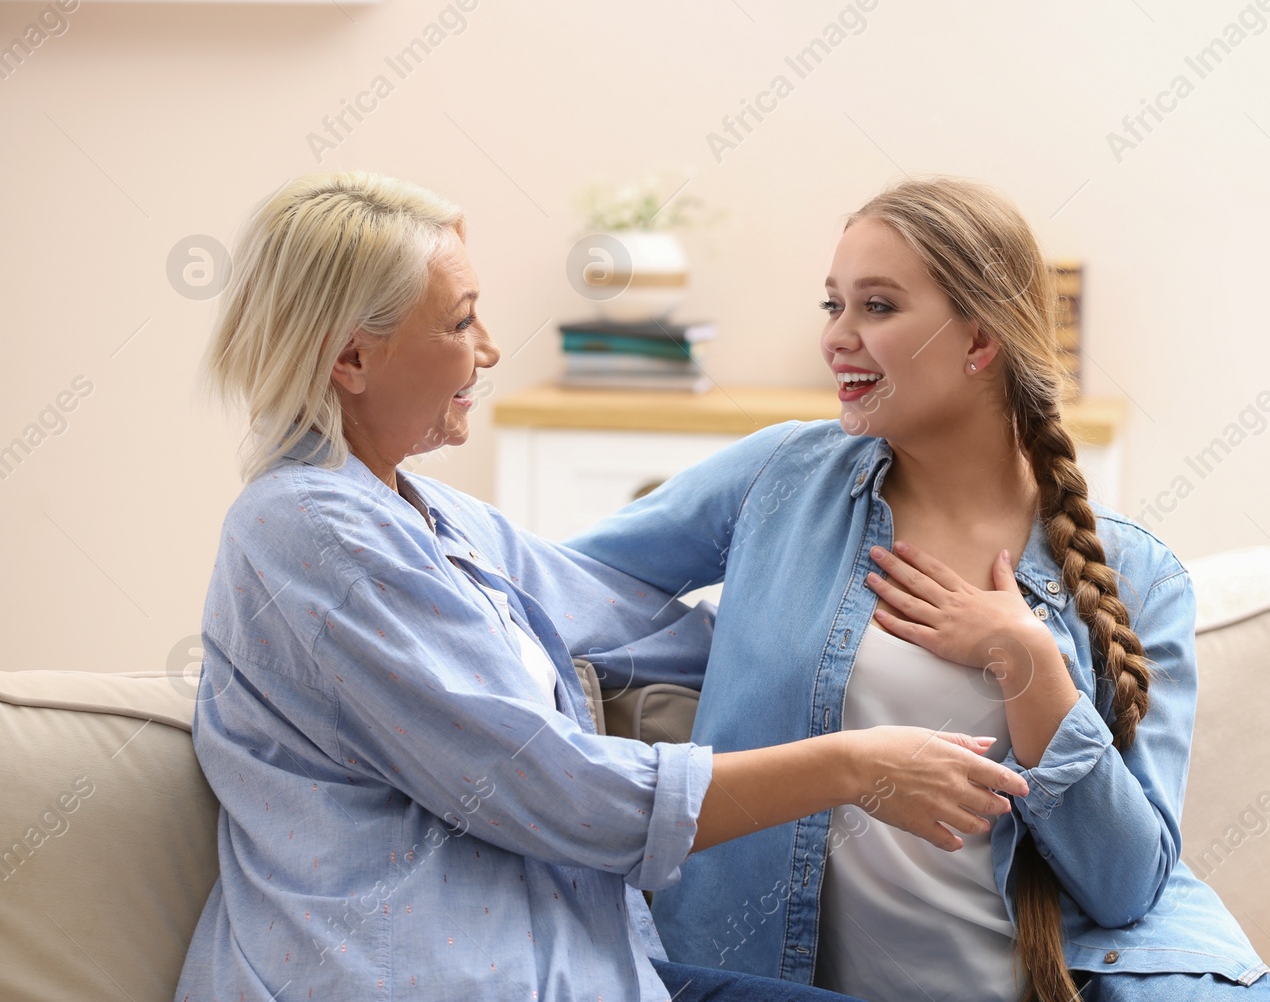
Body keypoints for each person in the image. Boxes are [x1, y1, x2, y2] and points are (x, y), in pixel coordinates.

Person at [177, 170, 1029, 1002]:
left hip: (585, 968)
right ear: (352, 357)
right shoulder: (306, 531)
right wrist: (848, 763)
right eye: (462, 321)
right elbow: (559, 789)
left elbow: (615, 604)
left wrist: (859, 641)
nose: (490, 349)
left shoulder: (432, 518)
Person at [565, 178, 1270, 1001]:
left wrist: (1027, 660)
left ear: (978, 341)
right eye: (832, 304)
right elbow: (561, 586)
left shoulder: (1140, 577)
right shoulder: (783, 479)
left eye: (876, 307)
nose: (837, 337)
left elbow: (1128, 886)